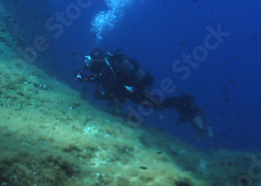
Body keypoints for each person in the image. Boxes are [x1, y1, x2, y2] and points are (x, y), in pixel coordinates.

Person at [77, 48, 213, 139]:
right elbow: (112, 89)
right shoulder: (105, 70)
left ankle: (184, 102)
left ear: (95, 60)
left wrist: (82, 77)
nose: (88, 65)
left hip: (135, 89)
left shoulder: (105, 70)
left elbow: (113, 88)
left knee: (157, 105)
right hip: (132, 90)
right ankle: (183, 105)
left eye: (89, 62)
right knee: (156, 105)